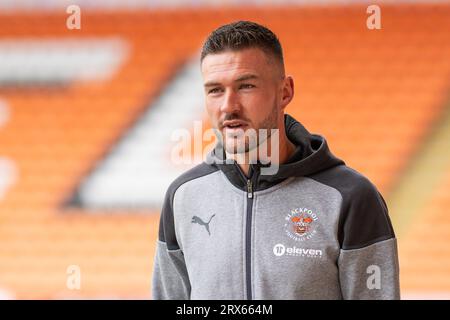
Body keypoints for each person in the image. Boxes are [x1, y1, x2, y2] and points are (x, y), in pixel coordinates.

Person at [152, 20, 400, 300]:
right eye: (215, 90)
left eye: (245, 86)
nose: (228, 106)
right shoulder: (183, 196)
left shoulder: (350, 197)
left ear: (285, 92)